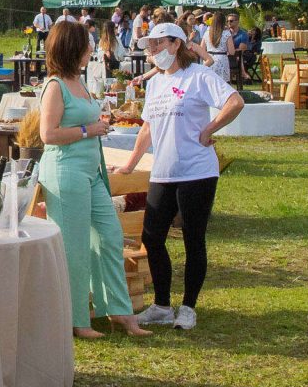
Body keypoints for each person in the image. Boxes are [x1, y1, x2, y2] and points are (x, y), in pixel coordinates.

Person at [117, 21, 244, 329]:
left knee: (192, 238)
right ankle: (162, 305)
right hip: (163, 172)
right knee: (152, 237)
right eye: (150, 45)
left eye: (159, 43)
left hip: (197, 171)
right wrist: (130, 165)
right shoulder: (156, 83)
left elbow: (235, 101)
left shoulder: (198, 75)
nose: (153, 49)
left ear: (176, 44)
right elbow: (147, 128)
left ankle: (188, 307)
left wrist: (210, 129)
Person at [37, 20, 146, 339]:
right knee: (74, 246)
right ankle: (76, 319)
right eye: (86, 44)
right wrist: (88, 130)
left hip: (92, 171)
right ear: (71, 48)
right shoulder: (55, 86)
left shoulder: (78, 81)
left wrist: (96, 128)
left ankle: (118, 309)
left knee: (110, 235)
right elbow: (48, 135)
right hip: (66, 171)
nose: (91, 49)